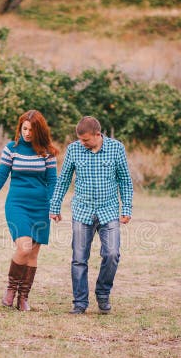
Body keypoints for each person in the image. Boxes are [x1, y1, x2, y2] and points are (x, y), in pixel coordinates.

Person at [49, 116, 133, 315]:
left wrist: (126, 208)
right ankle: (80, 302)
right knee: (79, 258)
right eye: (80, 139)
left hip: (109, 210)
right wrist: (55, 206)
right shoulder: (74, 149)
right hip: (82, 210)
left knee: (112, 254)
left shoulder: (116, 148)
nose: (82, 143)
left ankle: (103, 294)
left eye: (86, 140)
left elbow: (125, 181)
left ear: (98, 134)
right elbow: (63, 180)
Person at [0, 110, 58, 311]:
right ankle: (10, 289)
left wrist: (53, 206)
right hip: (17, 204)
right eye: (24, 129)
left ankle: (23, 297)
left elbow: (52, 182)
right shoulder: (11, 149)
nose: (27, 133)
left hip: (41, 206)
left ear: (39, 130)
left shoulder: (47, 152)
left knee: (32, 254)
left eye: (31, 130)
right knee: (23, 248)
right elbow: (0, 177)